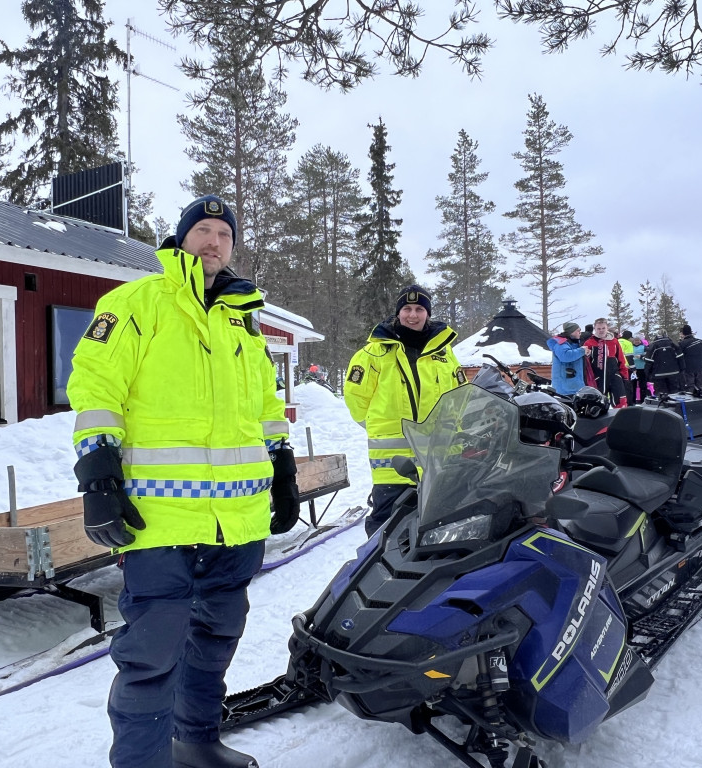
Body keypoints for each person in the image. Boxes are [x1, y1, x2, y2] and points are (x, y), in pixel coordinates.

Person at [67, 194, 297, 768]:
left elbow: (266, 405)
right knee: (152, 656)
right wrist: (98, 474)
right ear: (182, 238)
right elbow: (96, 387)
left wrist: (283, 464)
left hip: (236, 523)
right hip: (160, 520)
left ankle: (196, 742)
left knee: (215, 643)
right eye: (204, 230)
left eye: (224, 232)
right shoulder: (135, 303)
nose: (213, 241)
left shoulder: (242, 320)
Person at [344, 284, 465, 537]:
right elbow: (356, 399)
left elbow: (460, 396)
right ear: (398, 313)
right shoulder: (373, 354)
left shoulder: (445, 353)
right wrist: (379, 427)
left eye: (419, 309)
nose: (413, 315)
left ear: (427, 313)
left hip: (439, 459)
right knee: (387, 527)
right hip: (392, 463)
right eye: (407, 309)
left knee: (441, 525)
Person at [583, 318, 629, 407]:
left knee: (621, 400)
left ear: (607, 328)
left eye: (603, 328)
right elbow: (585, 363)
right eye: (599, 329)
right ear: (595, 329)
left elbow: (620, 359)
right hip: (597, 377)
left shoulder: (614, 341)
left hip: (614, 375)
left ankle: (621, 418)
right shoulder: (589, 342)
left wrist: (624, 374)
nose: (601, 331)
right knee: (597, 402)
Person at [547, 321, 593, 396]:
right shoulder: (561, 344)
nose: (580, 333)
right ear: (571, 332)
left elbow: (575, 356)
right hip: (565, 390)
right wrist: (582, 351)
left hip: (574, 387)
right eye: (578, 331)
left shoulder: (574, 343)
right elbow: (565, 356)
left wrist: (586, 353)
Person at [644, 328, 685, 397]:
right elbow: (680, 357)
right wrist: (682, 369)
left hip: (658, 374)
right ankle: (676, 406)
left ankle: (663, 405)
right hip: (674, 372)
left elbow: (648, 361)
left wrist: (647, 373)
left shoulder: (653, 346)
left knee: (661, 395)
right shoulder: (673, 344)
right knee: (674, 393)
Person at [678, 324, 702, 394]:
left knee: (689, 389)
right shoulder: (701, 342)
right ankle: (699, 403)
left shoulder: (682, 344)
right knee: (699, 388)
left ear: (683, 334)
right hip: (700, 369)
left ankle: (689, 404)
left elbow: (678, 358)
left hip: (687, 370)